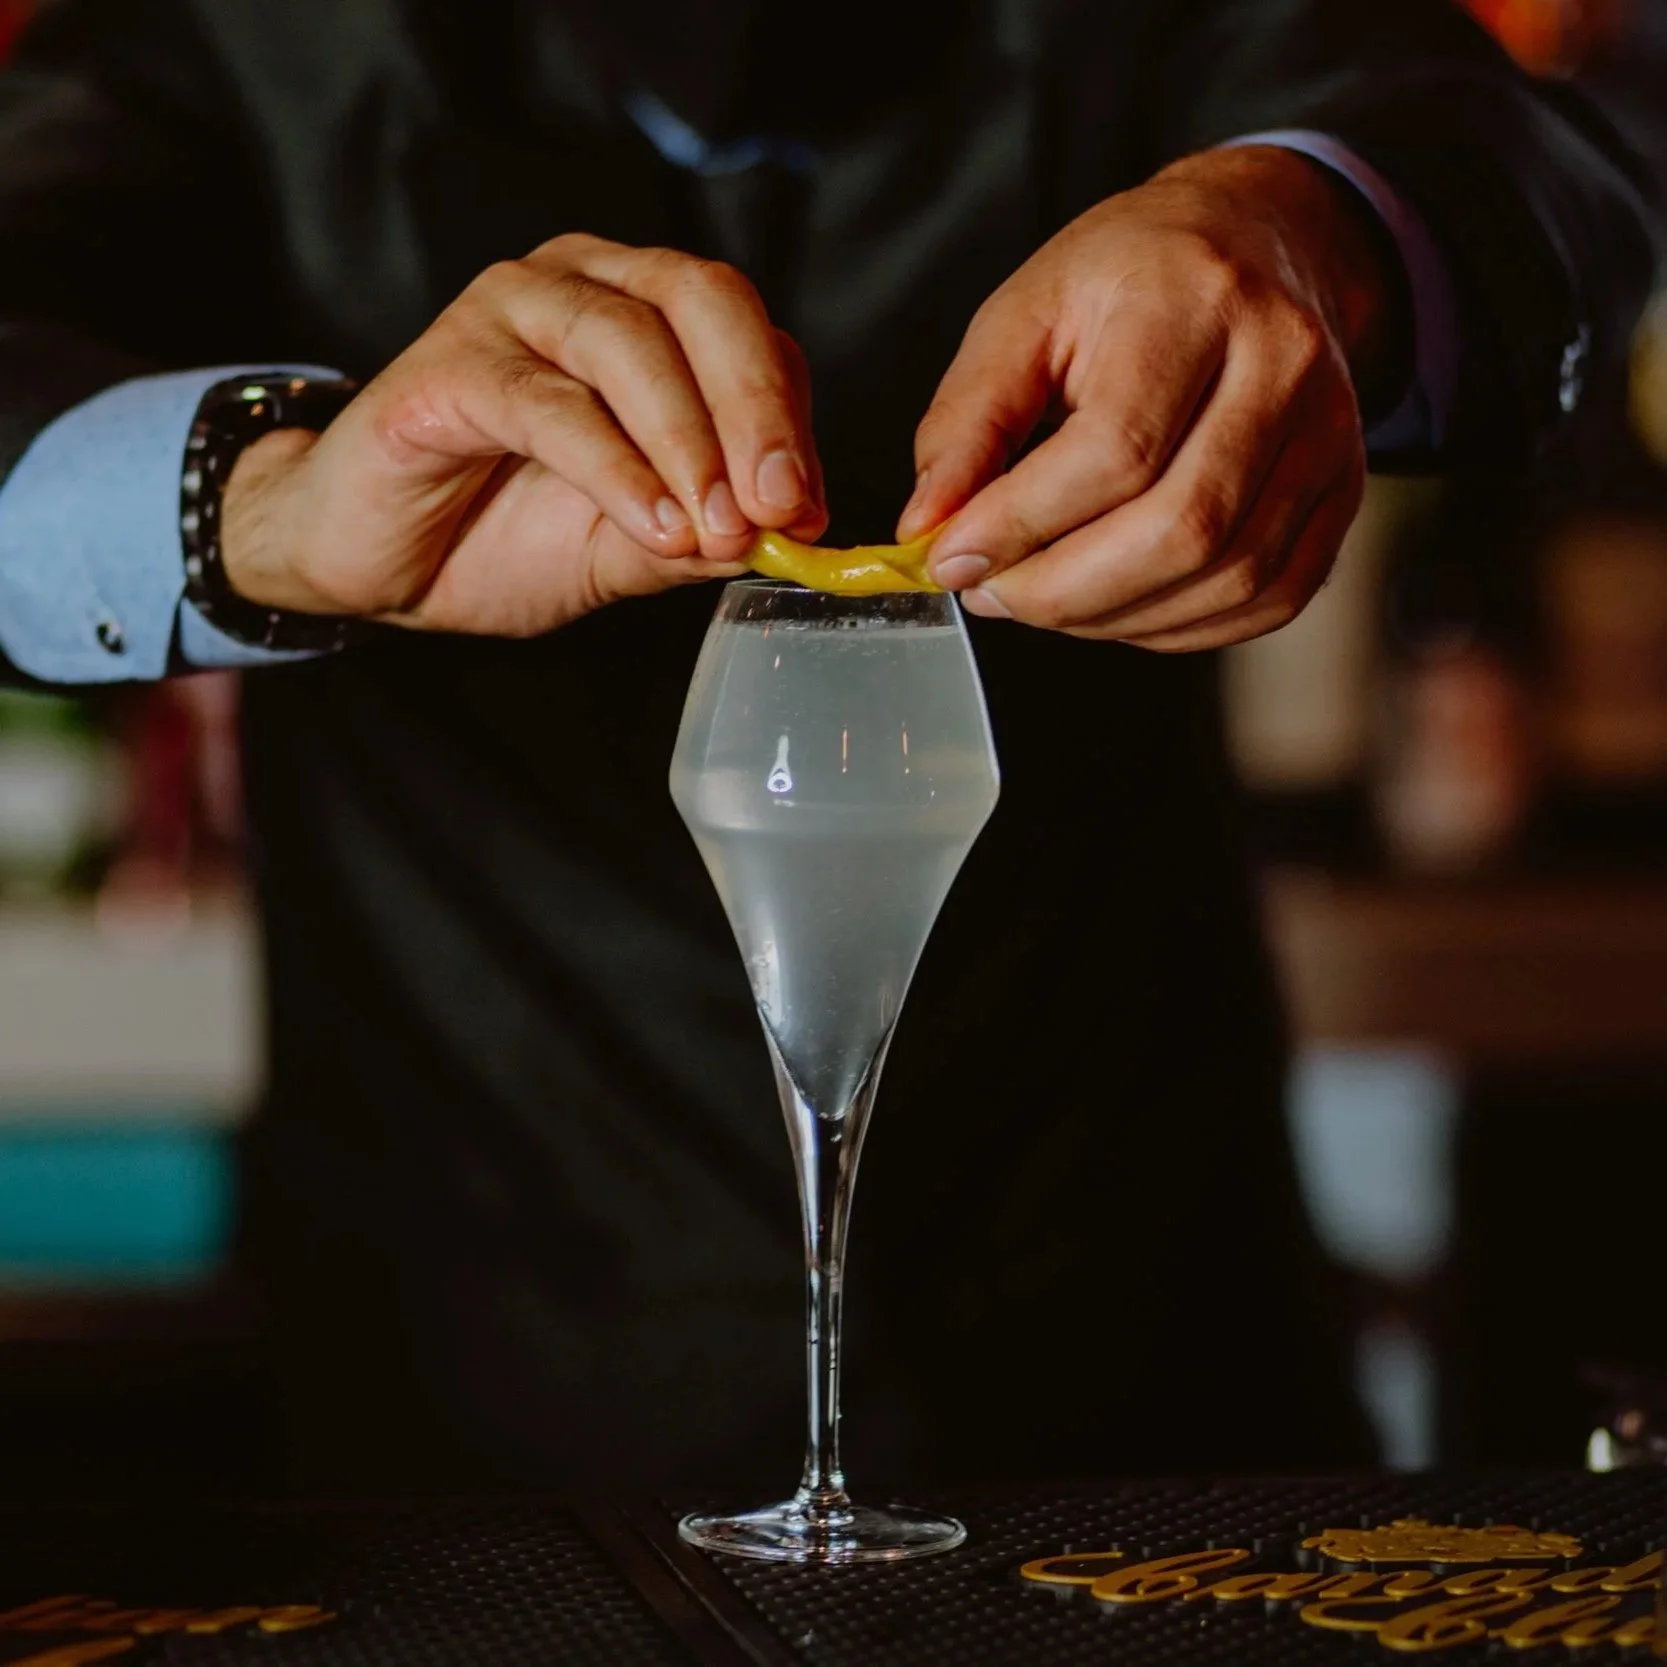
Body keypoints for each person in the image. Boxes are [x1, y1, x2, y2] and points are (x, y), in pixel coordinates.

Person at [0, 0, 1654, 1494]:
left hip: (1141, 1379)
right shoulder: (226, 37)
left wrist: (1311, 231)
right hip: (470, 1420)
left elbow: (1557, 170)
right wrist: (276, 510)